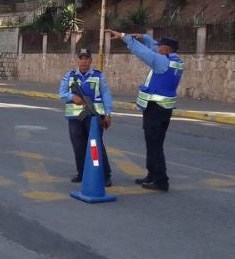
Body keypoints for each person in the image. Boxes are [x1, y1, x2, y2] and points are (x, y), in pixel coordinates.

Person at [106, 30, 184, 192]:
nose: (157, 49)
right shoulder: (175, 60)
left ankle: (161, 181)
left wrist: (123, 36)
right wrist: (146, 38)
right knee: (154, 144)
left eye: (160, 47)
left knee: (155, 145)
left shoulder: (162, 62)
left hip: (156, 109)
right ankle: (152, 174)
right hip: (164, 109)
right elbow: (153, 48)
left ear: (166, 50)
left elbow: (143, 52)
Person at [58, 48, 113, 187]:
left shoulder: (98, 76)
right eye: (81, 58)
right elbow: (61, 93)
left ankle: (105, 175)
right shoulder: (69, 76)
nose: (83, 61)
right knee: (78, 146)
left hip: (94, 116)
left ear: (90, 60)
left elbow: (106, 94)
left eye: (86, 58)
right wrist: (72, 96)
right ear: (77, 60)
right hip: (74, 117)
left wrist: (108, 114)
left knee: (96, 145)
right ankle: (82, 173)